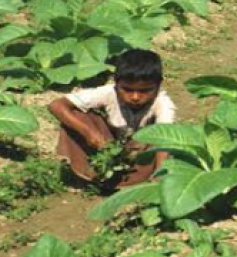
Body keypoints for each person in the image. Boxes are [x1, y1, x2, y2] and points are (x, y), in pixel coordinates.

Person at [49, 49, 176, 188]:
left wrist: (160, 173)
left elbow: (165, 142)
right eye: (127, 89)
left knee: (162, 137)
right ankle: (89, 175)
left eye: (144, 91)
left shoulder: (163, 103)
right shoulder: (108, 93)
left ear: (158, 86)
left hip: (140, 155)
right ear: (116, 83)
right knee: (77, 116)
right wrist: (90, 133)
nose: (135, 97)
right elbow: (57, 105)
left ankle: (136, 181)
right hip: (108, 145)